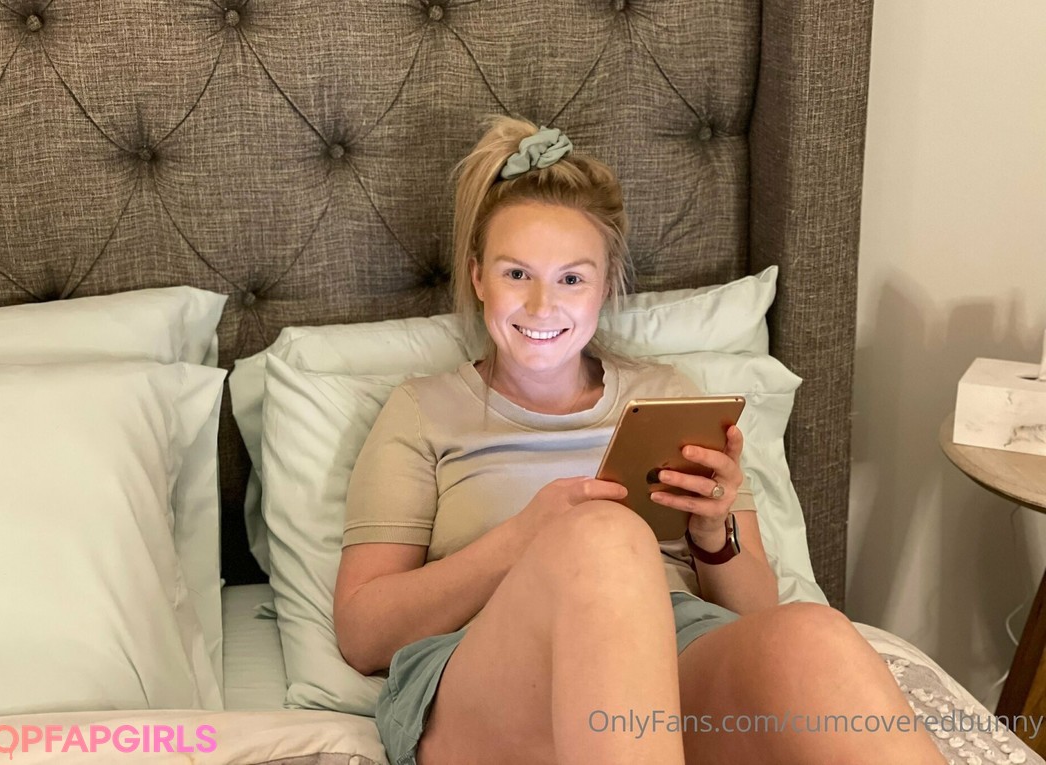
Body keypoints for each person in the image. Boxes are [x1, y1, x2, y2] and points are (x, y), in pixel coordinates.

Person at [334, 116, 944, 765]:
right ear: (478, 276)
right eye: (517, 274)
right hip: (488, 669)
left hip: (672, 657)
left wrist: (713, 534)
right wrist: (525, 537)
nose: (541, 305)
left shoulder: (667, 396)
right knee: (605, 537)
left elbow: (754, 612)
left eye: (572, 278)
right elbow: (363, 633)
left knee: (812, 635)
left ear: (605, 285)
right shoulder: (422, 411)